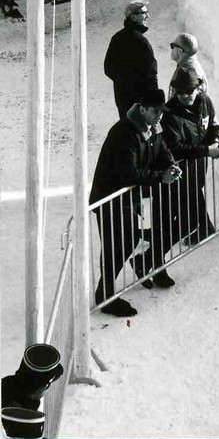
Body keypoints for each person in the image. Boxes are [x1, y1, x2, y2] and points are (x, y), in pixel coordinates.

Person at [89, 88, 181, 317]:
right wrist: (160, 177)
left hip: (129, 197)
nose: (159, 116)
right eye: (155, 111)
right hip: (110, 197)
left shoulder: (153, 127)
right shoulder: (124, 132)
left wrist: (170, 165)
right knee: (116, 245)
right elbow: (128, 173)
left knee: (129, 239)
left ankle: (114, 287)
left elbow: (162, 150)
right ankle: (105, 296)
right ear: (142, 109)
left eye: (161, 111)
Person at [160, 68, 219, 250]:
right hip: (178, 166)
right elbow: (176, 147)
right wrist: (207, 150)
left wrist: (215, 141)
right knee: (184, 203)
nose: (184, 96)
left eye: (188, 91)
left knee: (193, 195)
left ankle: (203, 228)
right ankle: (158, 245)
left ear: (198, 89)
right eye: (179, 92)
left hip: (197, 163)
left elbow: (214, 125)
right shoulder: (170, 113)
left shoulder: (205, 102)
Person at [103, 0, 158, 121]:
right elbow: (151, 74)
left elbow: (108, 69)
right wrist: (154, 101)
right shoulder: (141, 42)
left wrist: (124, 84)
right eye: (144, 13)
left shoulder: (116, 38)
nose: (148, 16)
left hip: (122, 99)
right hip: (142, 102)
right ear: (134, 17)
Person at [169, 32, 207, 97]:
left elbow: (188, 100)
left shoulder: (192, 75)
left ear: (180, 51)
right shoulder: (185, 64)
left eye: (172, 46)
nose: (171, 49)